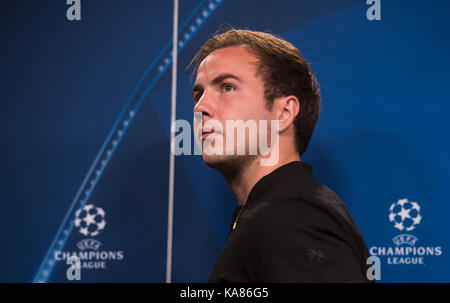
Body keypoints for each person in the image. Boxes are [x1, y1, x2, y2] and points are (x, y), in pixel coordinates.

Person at [189, 28, 372, 282]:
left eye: (227, 87)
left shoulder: (293, 215)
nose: (200, 107)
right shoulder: (273, 214)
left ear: (284, 113)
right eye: (199, 94)